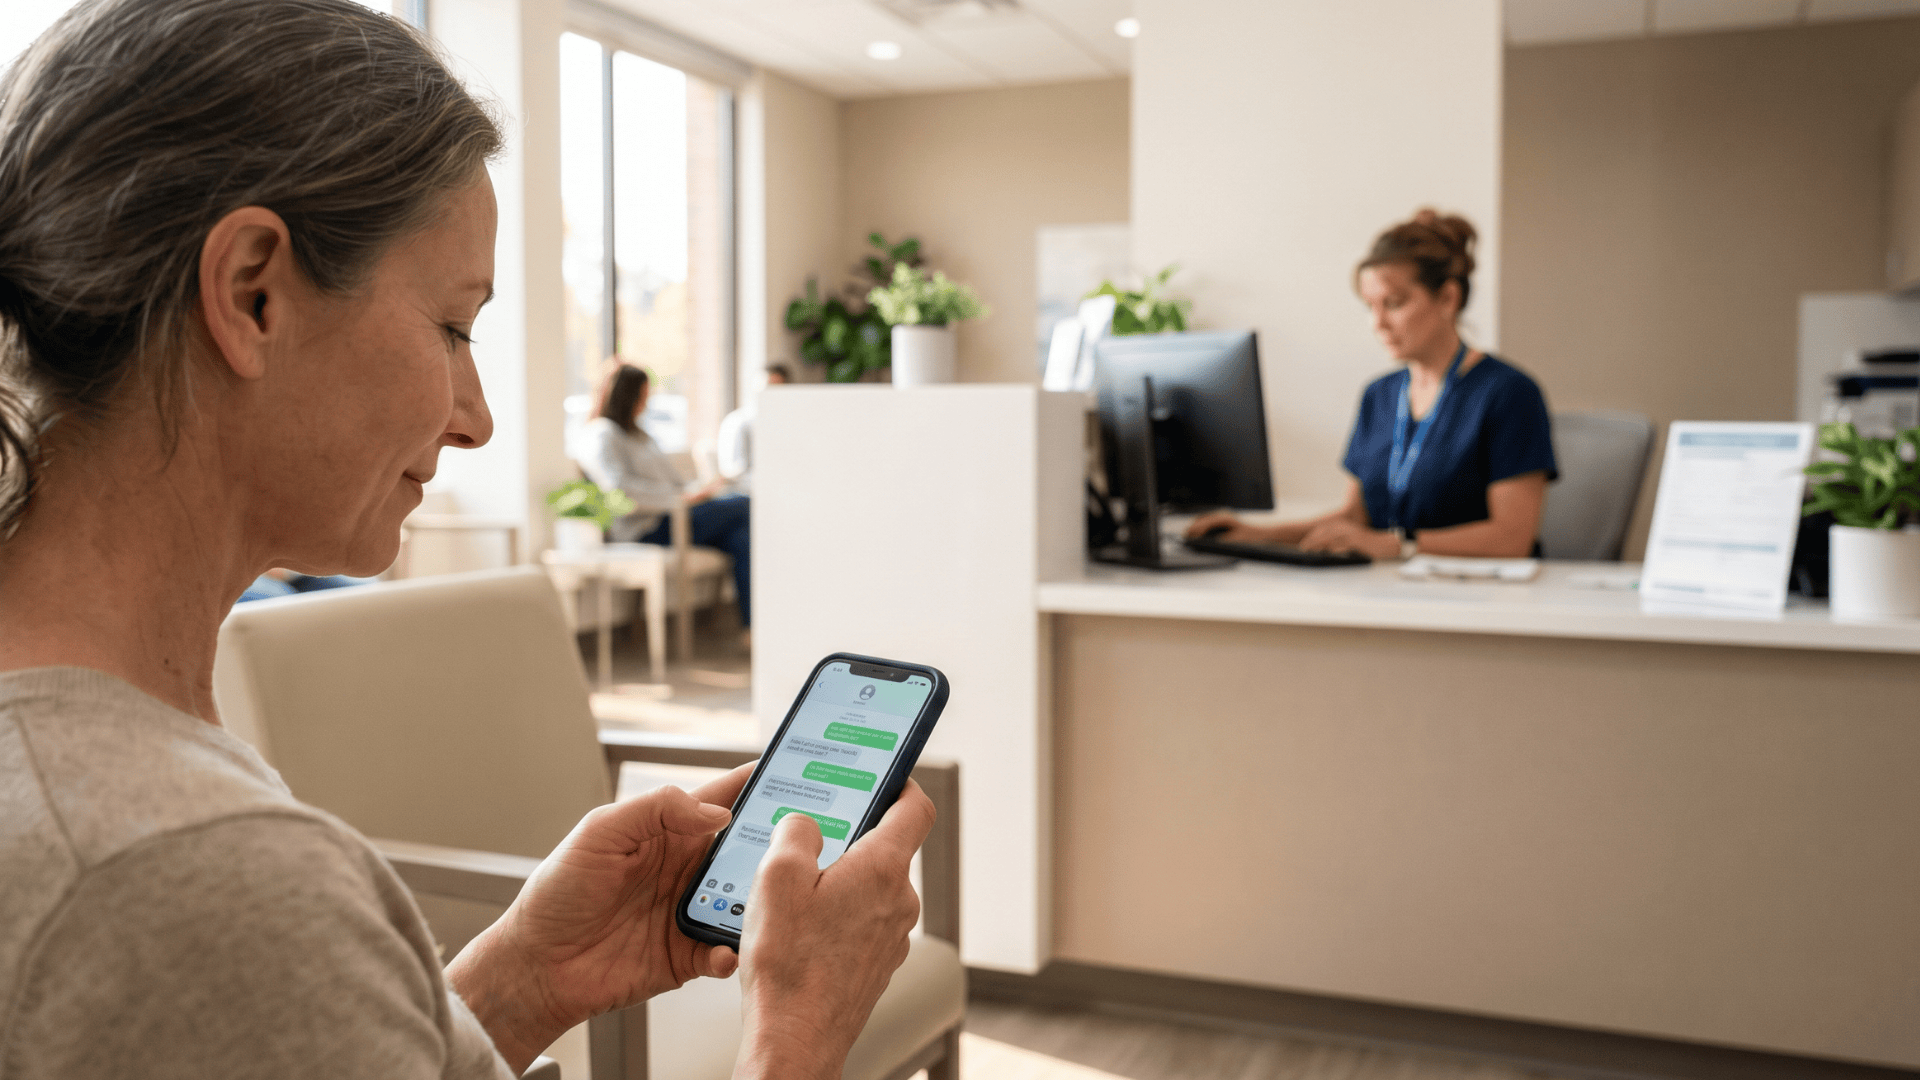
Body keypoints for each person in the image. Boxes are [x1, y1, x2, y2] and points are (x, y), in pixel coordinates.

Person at [0, 2, 929, 1078]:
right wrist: (797, 1033)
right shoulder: (194, 879)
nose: (476, 414)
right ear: (252, 292)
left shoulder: (127, 823)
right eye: (452, 325)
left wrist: (524, 978)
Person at [1189, 210, 1556, 559]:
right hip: (1388, 587)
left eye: (1393, 304)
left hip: (1478, 599)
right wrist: (1259, 534)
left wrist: (1397, 546)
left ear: (1448, 298)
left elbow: (1512, 539)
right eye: (1369, 306)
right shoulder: (1380, 394)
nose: (1376, 323)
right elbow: (1356, 519)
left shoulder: (1509, 393)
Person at [576, 363, 753, 628]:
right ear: (626, 396)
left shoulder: (641, 436)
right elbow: (619, 491)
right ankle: (753, 628)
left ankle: (754, 631)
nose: (645, 405)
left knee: (741, 537)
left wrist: (699, 491)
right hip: (646, 527)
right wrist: (680, 500)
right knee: (745, 505)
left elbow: (675, 484)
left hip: (676, 516)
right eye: (642, 397)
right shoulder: (601, 434)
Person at [715, 363, 791, 494]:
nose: (771, 394)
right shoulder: (739, 422)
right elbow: (734, 473)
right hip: (746, 493)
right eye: (768, 387)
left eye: (778, 388)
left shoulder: (787, 423)